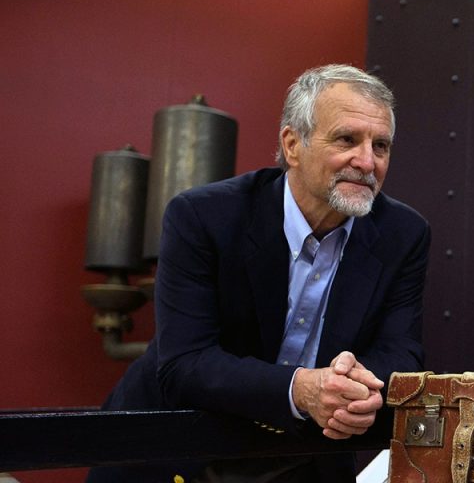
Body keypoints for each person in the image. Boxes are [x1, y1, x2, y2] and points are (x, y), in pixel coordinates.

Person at [88, 64, 431, 482]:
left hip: (307, 452)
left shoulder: (404, 233)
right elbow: (186, 363)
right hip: (175, 445)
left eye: (381, 146)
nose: (366, 161)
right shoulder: (202, 216)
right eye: (346, 139)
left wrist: (357, 386)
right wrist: (300, 389)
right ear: (293, 145)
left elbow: (401, 352)